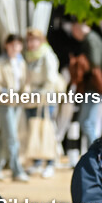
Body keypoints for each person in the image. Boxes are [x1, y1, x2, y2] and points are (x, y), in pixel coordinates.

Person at [0, 34, 29, 181]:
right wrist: (7, 93)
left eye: (18, 45)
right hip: (4, 103)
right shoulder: (0, 63)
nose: (15, 48)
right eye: (12, 44)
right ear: (6, 45)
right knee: (12, 136)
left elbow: (25, 83)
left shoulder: (21, 62)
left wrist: (25, 94)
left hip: (17, 102)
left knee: (7, 136)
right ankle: (16, 170)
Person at [24, 28, 64, 177]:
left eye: (34, 39)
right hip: (32, 100)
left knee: (48, 130)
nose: (31, 43)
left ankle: (51, 163)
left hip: (47, 99)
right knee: (35, 130)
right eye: (29, 40)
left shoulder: (47, 55)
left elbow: (51, 80)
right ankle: (37, 162)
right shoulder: (29, 56)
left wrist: (39, 94)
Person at [69, 22, 102, 151]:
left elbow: (95, 62)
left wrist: (77, 62)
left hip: (93, 87)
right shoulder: (93, 38)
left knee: (87, 123)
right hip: (95, 87)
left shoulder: (91, 39)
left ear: (79, 27)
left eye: (74, 31)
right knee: (91, 123)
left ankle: (95, 153)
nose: (74, 34)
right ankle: (95, 153)